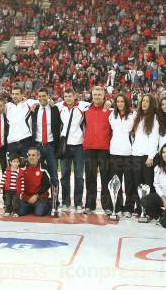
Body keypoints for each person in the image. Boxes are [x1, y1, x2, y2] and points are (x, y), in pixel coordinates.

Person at [57, 87, 89, 213]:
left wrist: (108, 103)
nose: (68, 99)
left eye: (70, 96)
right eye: (66, 96)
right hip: (65, 146)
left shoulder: (82, 106)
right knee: (64, 175)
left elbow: (97, 103)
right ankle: (65, 202)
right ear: (63, 97)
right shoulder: (60, 106)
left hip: (79, 145)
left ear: (75, 96)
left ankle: (78, 202)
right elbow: (44, 102)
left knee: (79, 176)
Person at [83, 86, 112, 214]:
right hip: (89, 148)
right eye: (95, 94)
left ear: (104, 95)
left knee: (106, 178)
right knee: (90, 178)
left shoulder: (110, 111)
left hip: (104, 148)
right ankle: (90, 205)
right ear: (92, 95)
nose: (97, 97)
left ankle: (107, 206)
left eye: (99, 95)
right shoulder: (85, 110)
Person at [108, 93, 134, 217]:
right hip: (114, 152)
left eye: (122, 101)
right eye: (118, 101)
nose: (120, 104)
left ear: (126, 103)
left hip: (128, 152)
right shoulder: (111, 115)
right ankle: (117, 206)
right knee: (116, 182)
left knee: (129, 182)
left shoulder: (132, 116)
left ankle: (128, 208)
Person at [131, 94, 160, 206]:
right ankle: (138, 207)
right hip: (136, 155)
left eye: (147, 101)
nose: (144, 103)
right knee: (137, 183)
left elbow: (154, 139)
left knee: (148, 184)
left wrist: (151, 156)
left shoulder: (154, 119)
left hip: (147, 157)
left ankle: (148, 208)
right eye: (143, 101)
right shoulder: (137, 117)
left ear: (151, 104)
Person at [141, 143, 166, 228]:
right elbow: (156, 184)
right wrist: (163, 198)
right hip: (163, 198)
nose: (165, 154)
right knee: (145, 201)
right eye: (163, 152)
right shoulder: (158, 167)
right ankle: (159, 216)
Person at [31, 88, 60, 196]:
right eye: (40, 96)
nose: (42, 98)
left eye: (44, 96)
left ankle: (54, 201)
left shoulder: (55, 108)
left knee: (54, 174)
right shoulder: (34, 109)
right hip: (38, 146)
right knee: (36, 174)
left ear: (48, 96)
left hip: (51, 146)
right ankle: (38, 197)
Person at [17, 147, 51, 217]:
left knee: (39, 213)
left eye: (33, 155)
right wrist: (25, 197)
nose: (31, 157)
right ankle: (32, 207)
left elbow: (46, 185)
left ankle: (48, 204)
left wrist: (36, 196)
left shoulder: (43, 168)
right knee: (20, 212)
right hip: (26, 197)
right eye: (29, 155)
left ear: (38, 156)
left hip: (39, 197)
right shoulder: (22, 167)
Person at [5, 86, 38, 157]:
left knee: (27, 166)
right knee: (13, 167)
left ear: (22, 94)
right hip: (12, 142)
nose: (14, 96)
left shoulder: (29, 103)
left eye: (17, 94)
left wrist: (36, 104)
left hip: (26, 140)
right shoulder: (7, 106)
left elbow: (44, 101)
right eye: (13, 94)